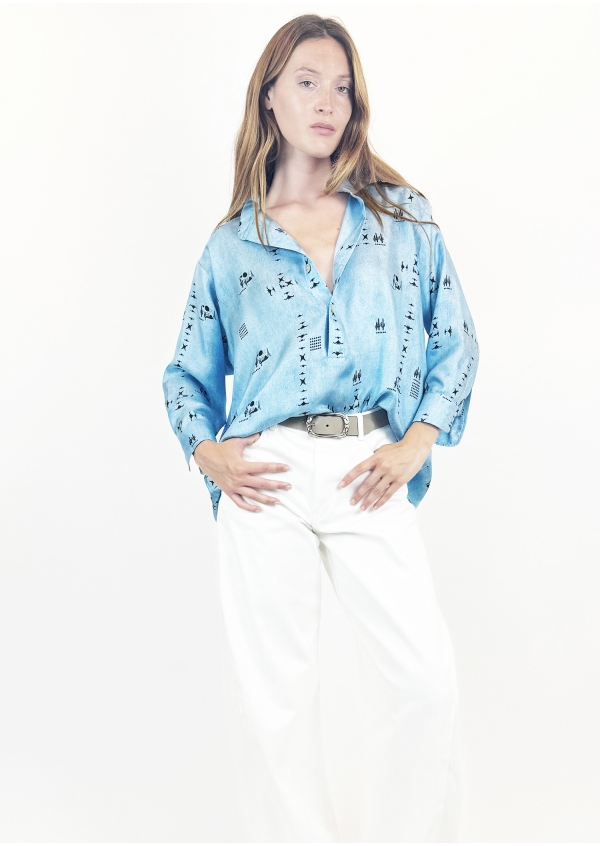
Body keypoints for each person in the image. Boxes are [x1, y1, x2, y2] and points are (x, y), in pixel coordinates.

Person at [162, 13, 479, 843]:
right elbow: (185, 375)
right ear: (269, 97)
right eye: (306, 81)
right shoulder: (233, 245)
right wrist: (210, 454)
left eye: (341, 86)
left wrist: (415, 443)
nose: (327, 101)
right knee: (275, 703)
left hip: (369, 463)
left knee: (422, 683)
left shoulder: (402, 218)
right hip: (265, 476)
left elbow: (456, 341)